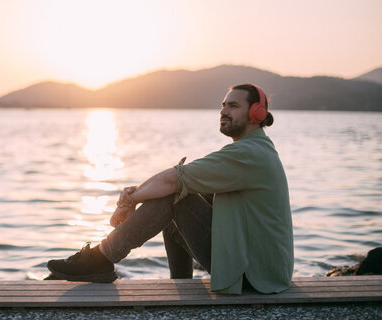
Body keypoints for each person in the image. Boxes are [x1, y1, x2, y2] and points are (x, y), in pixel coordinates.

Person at [47, 84, 294, 294]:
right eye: (223, 105)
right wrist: (138, 196)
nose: (223, 111)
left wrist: (129, 201)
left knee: (175, 196)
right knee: (176, 194)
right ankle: (181, 282)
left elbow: (173, 180)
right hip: (261, 269)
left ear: (256, 113)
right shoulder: (255, 150)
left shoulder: (248, 153)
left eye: (233, 106)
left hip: (255, 276)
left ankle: (101, 258)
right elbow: (179, 182)